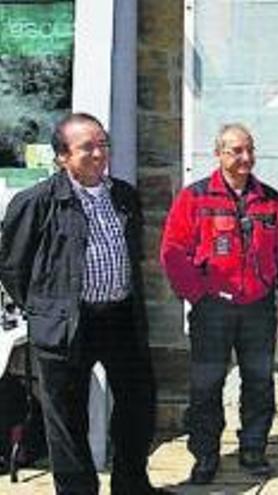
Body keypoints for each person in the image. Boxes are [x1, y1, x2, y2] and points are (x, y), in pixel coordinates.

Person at [0, 113, 167, 494]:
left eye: (103, 144)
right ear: (62, 156)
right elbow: (12, 265)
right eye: (87, 147)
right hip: (66, 323)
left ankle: (131, 485)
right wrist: (45, 309)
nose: (98, 153)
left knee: (138, 403)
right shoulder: (37, 202)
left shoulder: (122, 195)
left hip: (120, 318)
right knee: (67, 419)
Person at [160, 123, 278, 484]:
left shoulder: (271, 200)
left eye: (249, 150)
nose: (245, 158)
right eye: (236, 151)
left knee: (259, 382)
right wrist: (198, 297)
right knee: (206, 386)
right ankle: (205, 455)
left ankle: (253, 449)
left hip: (258, 306)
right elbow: (172, 253)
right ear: (219, 153)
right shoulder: (195, 197)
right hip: (213, 309)